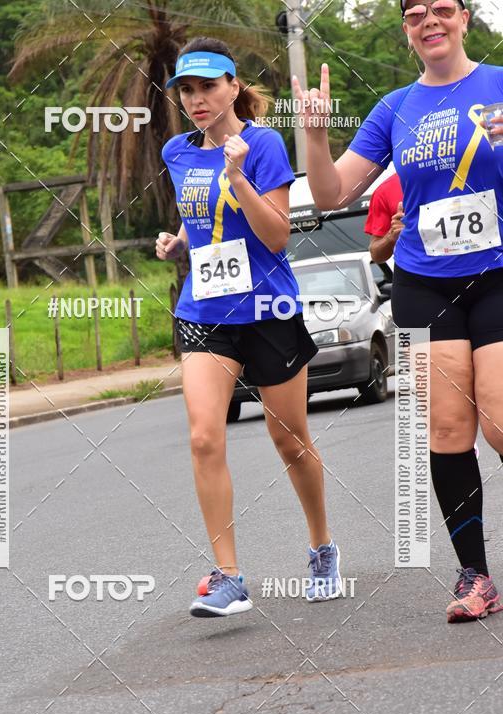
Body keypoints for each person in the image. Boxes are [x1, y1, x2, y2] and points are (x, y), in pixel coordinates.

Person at [293, 0, 503, 623]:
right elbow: (333, 193)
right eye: (414, 14)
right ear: (407, 30)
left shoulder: (496, 86)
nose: (429, 22)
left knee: (497, 418)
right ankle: (476, 577)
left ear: (465, 17)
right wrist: (314, 130)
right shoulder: (394, 109)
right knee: (445, 430)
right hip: (423, 283)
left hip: (496, 276)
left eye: (441, 9)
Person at [157, 36, 344, 617]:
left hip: (269, 312)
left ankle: (321, 547)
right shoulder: (177, 152)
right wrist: (179, 240)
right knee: (204, 436)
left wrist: (238, 177)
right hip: (204, 313)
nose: (197, 99)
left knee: (289, 439)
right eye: (186, 89)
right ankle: (229, 575)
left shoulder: (262, 145)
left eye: (208, 86)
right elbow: (203, 215)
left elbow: (276, 235)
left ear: (234, 86)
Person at [365, 172, 405, 264]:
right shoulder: (385, 190)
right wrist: (392, 235)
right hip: (414, 273)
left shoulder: (445, 173)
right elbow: (376, 255)